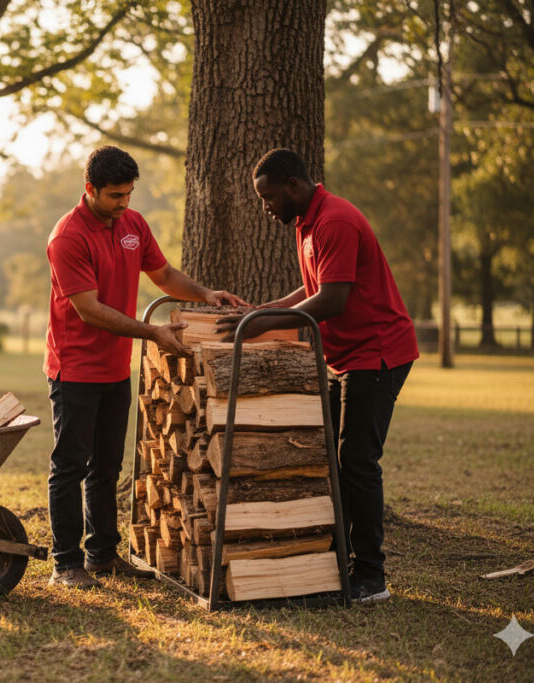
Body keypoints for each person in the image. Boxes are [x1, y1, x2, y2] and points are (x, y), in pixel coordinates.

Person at [218, 148, 419, 604]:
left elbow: (333, 300)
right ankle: (337, 560)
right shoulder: (307, 222)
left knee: (358, 462)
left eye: (269, 198)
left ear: (293, 185)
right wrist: (264, 310)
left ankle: (371, 576)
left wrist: (266, 324)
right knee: (326, 456)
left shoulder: (335, 221)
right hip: (345, 357)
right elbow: (313, 289)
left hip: (378, 353)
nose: (266, 207)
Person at [44, 145, 246, 588]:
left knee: (107, 466)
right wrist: (152, 332)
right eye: (115, 196)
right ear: (90, 189)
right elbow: (89, 310)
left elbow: (164, 274)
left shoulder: (133, 224)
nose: (124, 204)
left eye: (129, 194)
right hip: (75, 369)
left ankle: (101, 555)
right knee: (71, 466)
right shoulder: (68, 237)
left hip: (116, 369)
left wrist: (206, 294)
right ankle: (66, 563)